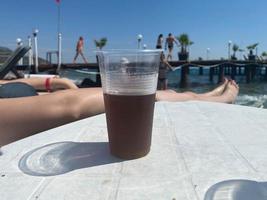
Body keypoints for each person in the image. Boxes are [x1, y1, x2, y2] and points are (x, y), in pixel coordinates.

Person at [0, 77, 239, 147]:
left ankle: (204, 97)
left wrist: (56, 81)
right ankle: (210, 99)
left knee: (147, 94)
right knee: (136, 96)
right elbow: (70, 107)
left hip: (28, 96)